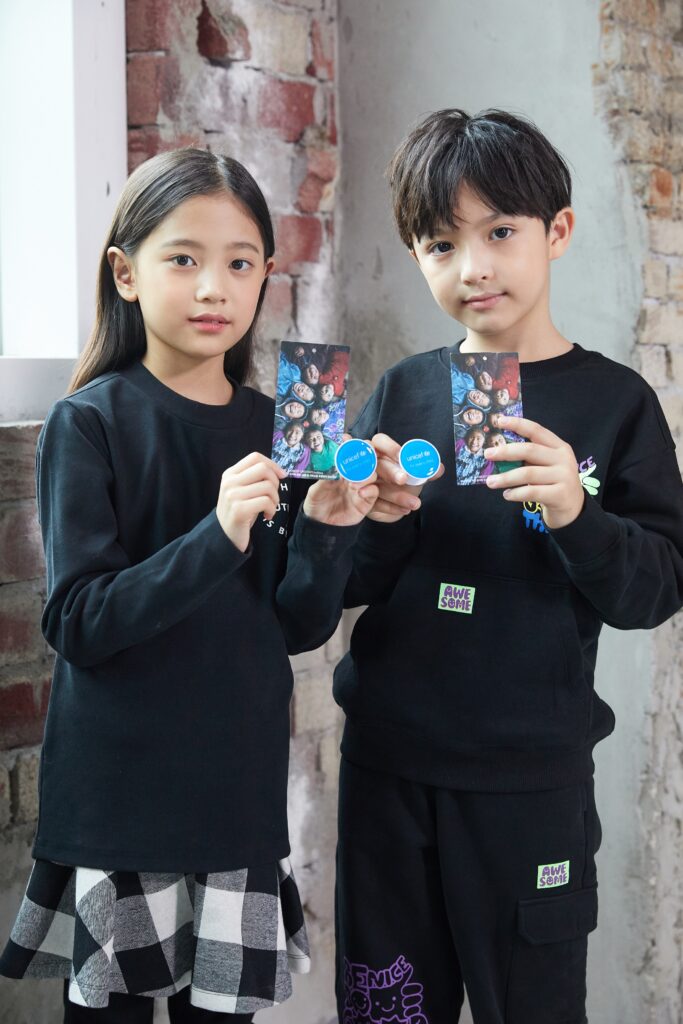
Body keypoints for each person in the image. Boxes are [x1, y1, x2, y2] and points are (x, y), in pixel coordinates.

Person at [0, 148, 379, 1023]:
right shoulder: (87, 422)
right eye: (183, 258)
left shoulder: (283, 429)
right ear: (125, 274)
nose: (214, 287)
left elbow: (295, 625)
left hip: (235, 797)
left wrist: (328, 527)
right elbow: (81, 622)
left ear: (265, 277)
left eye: (240, 264)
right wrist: (217, 534)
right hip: (120, 801)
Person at [333, 109, 683, 1024]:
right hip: (389, 768)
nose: (473, 267)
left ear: (555, 231)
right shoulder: (404, 390)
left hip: (531, 779)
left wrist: (576, 512)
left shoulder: (615, 402)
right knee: (387, 1011)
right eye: (441, 244)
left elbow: (652, 590)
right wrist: (370, 519)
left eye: (498, 233)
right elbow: (350, 584)